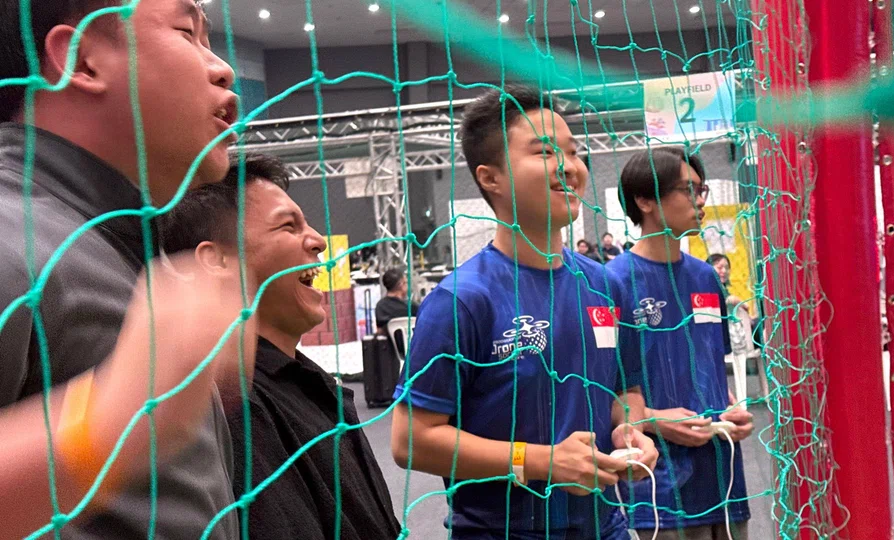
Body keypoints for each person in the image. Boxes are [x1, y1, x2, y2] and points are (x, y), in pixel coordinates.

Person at [0, 1, 254, 538]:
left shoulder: (107, 241)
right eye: (187, 33)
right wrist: (107, 423)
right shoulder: (10, 234)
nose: (223, 67)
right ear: (83, 59)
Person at [389, 84, 659, 540]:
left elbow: (624, 393)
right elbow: (410, 440)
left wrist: (631, 433)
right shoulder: (461, 300)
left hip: (605, 525)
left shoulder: (603, 285)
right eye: (546, 152)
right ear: (490, 177)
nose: (570, 168)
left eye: (573, 152)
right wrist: (541, 461)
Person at [158, 154, 402, 539]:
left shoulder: (304, 382)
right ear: (218, 260)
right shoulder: (232, 408)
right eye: (289, 226)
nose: (319, 241)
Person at [607, 147, 753, 539]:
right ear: (645, 200)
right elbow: (600, 388)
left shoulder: (707, 278)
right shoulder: (611, 282)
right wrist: (654, 420)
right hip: (657, 477)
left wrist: (731, 410)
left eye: (701, 189)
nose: (700, 200)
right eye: (688, 190)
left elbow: (712, 365)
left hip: (721, 470)